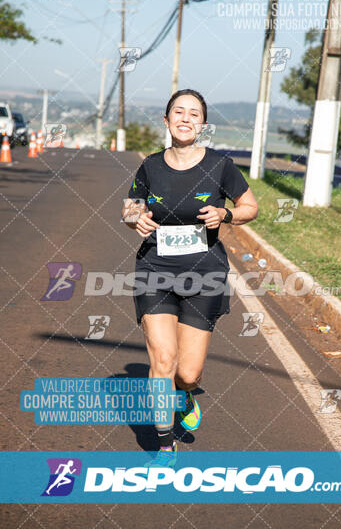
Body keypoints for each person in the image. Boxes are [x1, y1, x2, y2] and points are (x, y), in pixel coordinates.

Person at [122, 89, 258, 466]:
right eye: (178, 112)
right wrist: (135, 217)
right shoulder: (150, 166)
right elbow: (130, 205)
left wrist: (226, 216)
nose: (185, 118)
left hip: (204, 274)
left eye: (193, 113)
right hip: (156, 269)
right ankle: (164, 442)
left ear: (203, 124)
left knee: (188, 371)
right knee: (162, 359)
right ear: (166, 121)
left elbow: (250, 205)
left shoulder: (220, 166)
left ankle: (185, 396)